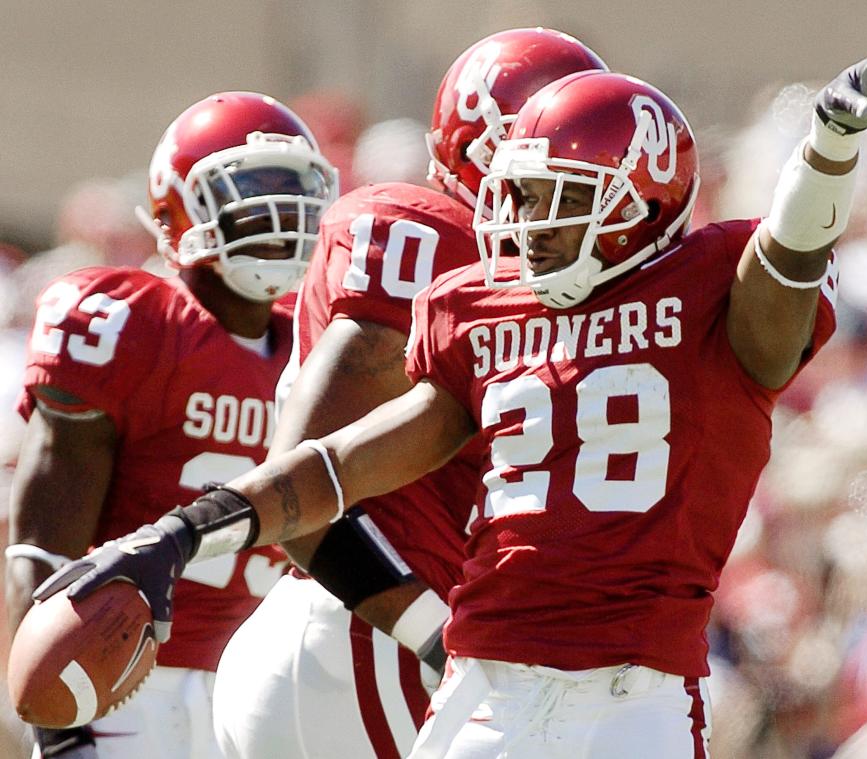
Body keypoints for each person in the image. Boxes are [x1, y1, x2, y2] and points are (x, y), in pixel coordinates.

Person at [34, 29, 867, 759]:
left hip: (625, 696)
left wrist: (825, 153)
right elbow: (340, 465)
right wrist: (185, 527)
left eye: (555, 196)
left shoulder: (710, 291)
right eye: (520, 192)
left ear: (639, 200)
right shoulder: (480, 306)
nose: (522, 225)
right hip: (476, 680)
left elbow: (784, 264)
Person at [211, 27, 609, 759]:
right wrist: (437, 637)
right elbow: (299, 481)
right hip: (365, 641)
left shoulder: (504, 273)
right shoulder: (431, 237)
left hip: (341, 639)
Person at [6, 91, 338, 759]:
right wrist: (61, 715)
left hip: (265, 677)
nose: (279, 213)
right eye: (251, 188)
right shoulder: (125, 321)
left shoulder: (319, 345)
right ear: (174, 207)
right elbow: (41, 547)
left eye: (295, 189)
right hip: (127, 680)